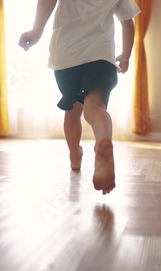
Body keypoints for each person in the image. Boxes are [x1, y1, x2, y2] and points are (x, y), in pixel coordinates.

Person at [19, 0, 140, 195]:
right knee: (95, 108)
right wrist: (126, 55)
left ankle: (75, 157)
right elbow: (128, 22)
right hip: (101, 57)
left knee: (73, 109)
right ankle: (102, 142)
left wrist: (36, 31)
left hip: (67, 56)